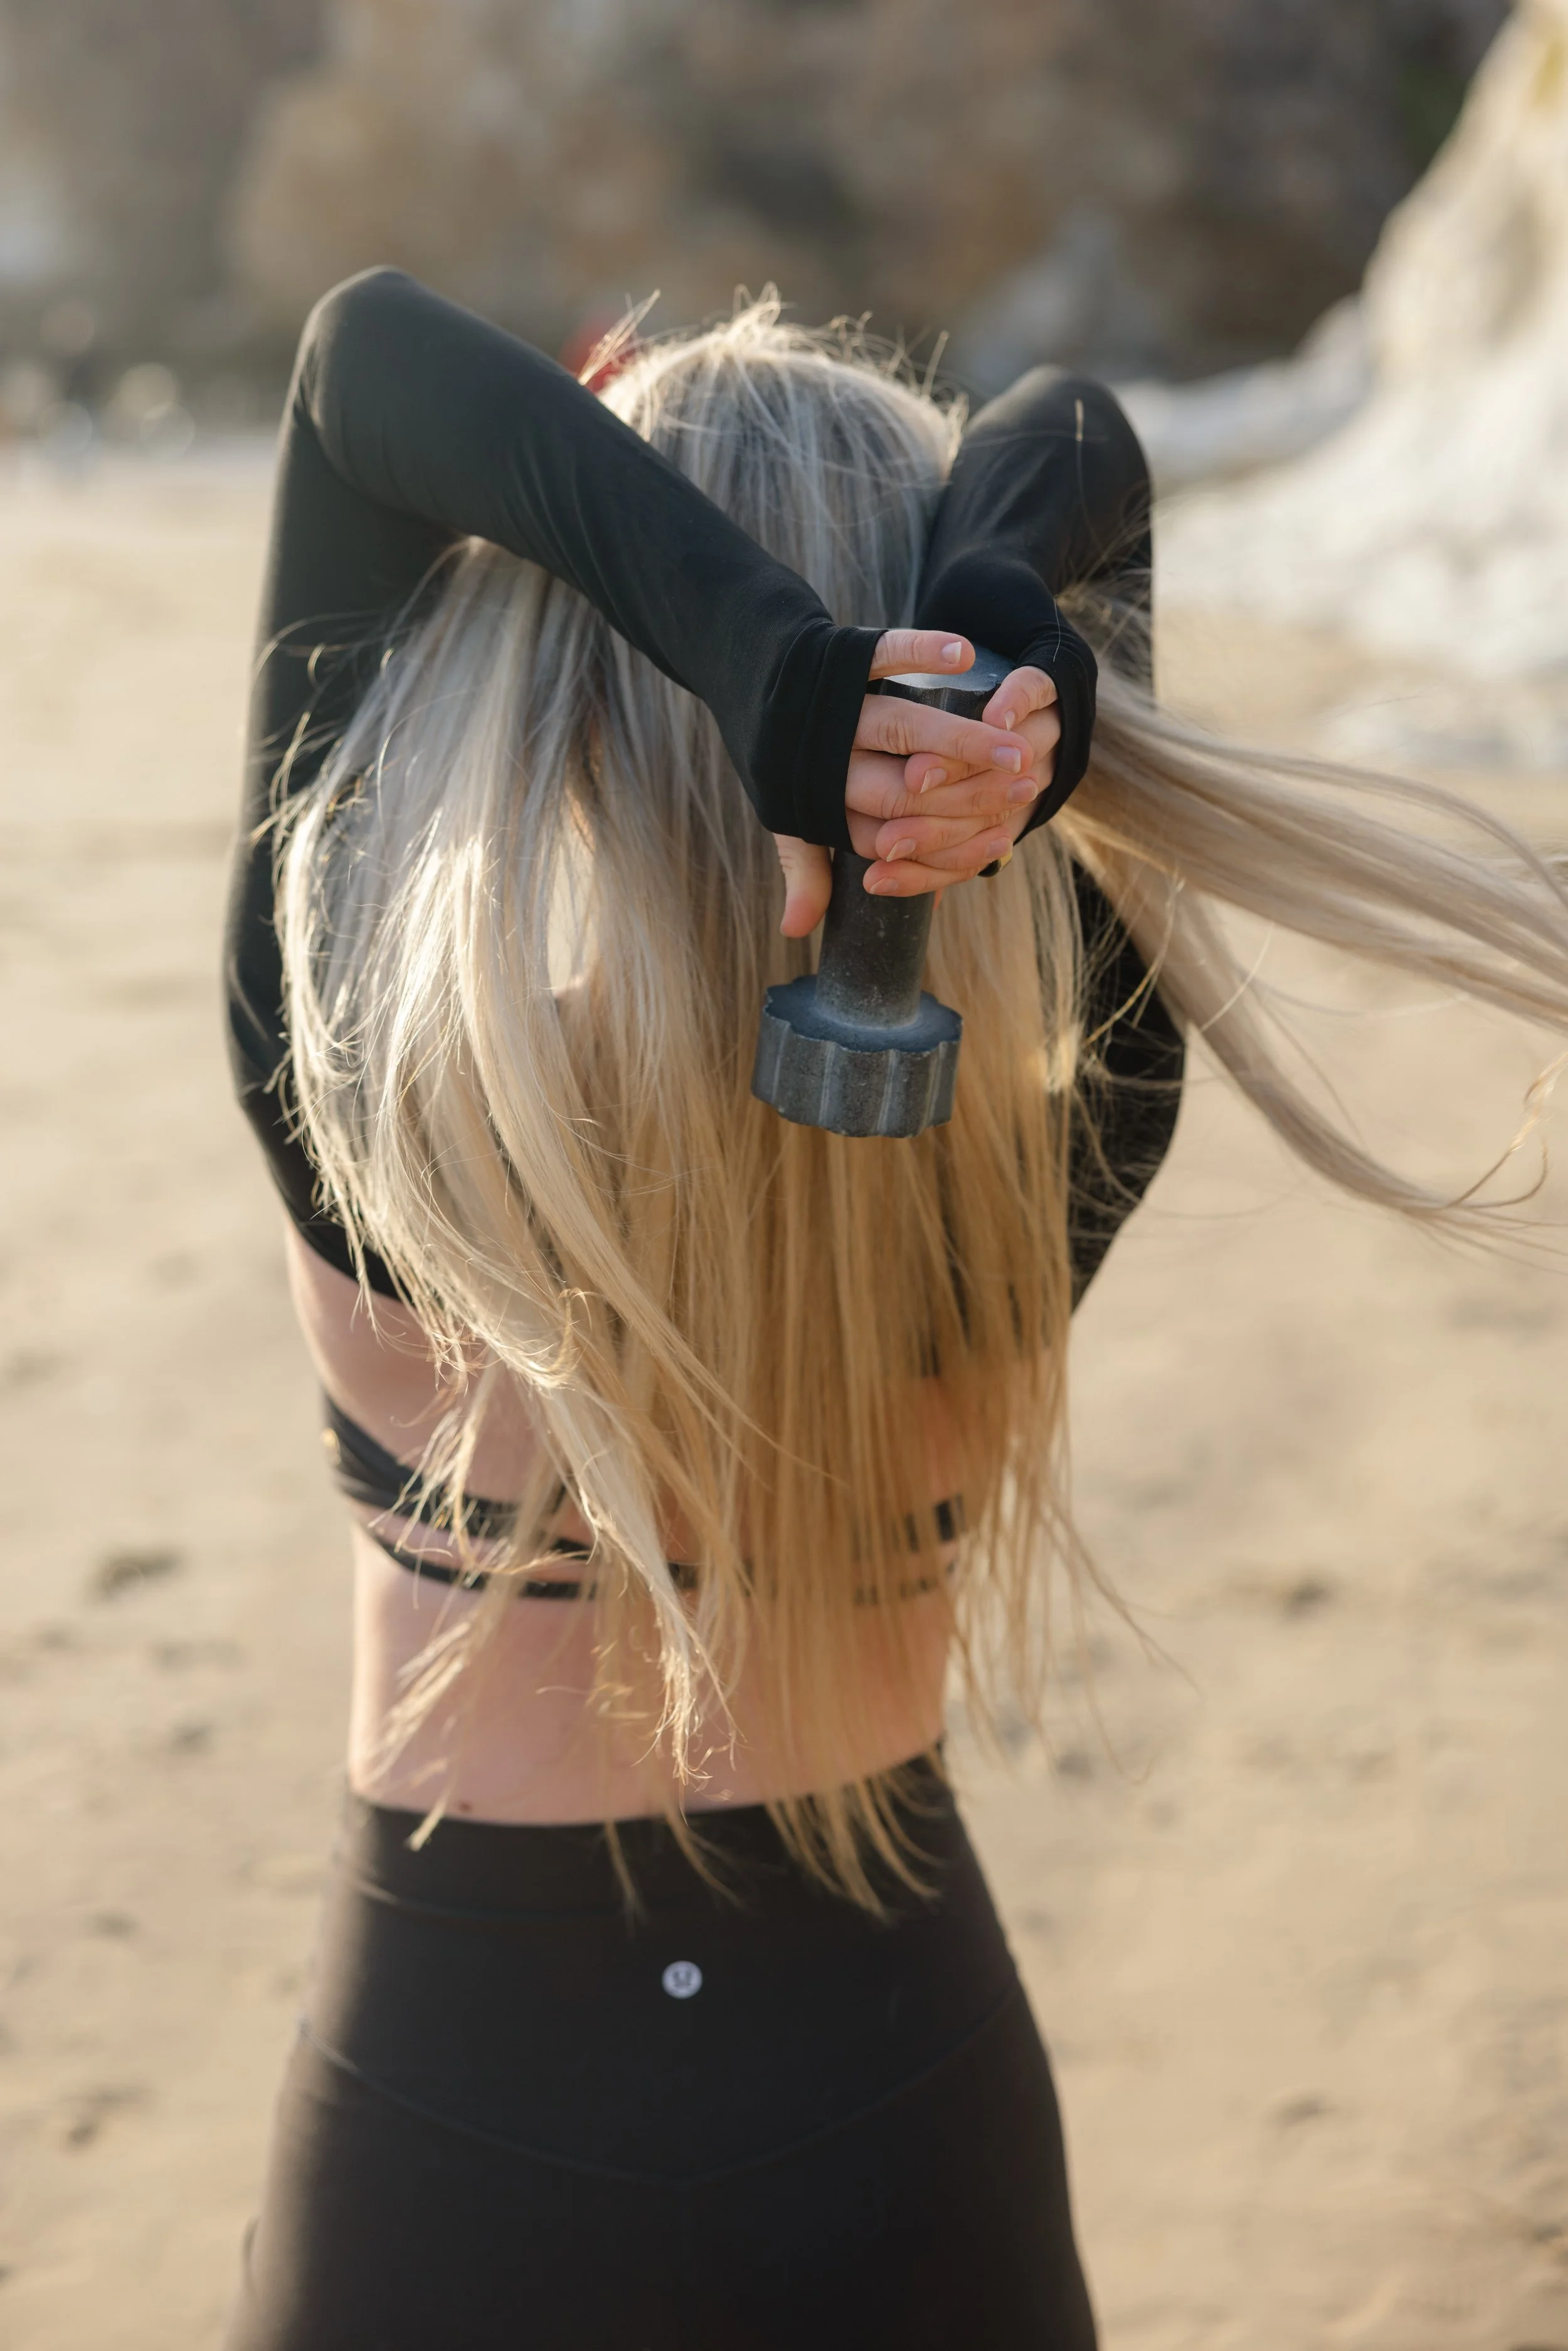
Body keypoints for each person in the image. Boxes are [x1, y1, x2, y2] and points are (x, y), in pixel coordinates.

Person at [221, 270, 1568, 2351]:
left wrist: (753, 659)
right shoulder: (1055, 1141)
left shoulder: (392, 1126)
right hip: (893, 2110)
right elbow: (1080, 442)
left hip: (456, 2130)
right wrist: (982, 626)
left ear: (553, 689)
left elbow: (362, 374)